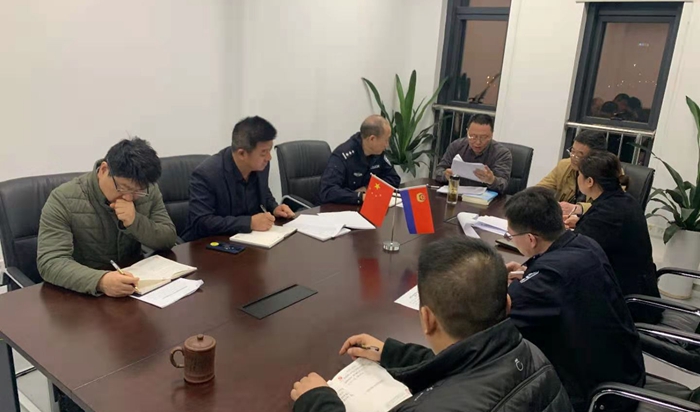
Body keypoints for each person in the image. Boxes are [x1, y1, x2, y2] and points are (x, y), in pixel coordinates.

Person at [290, 237, 573, 412]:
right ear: (508, 304)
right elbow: (470, 364)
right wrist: (391, 353)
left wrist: (317, 401)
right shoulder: (532, 353)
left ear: (427, 319)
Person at [504, 187, 645, 412]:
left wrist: (496, 282)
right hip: (625, 370)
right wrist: (529, 273)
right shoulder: (585, 244)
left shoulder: (549, 278)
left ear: (531, 239)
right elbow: (559, 283)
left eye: (511, 235)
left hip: (596, 396)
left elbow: (498, 315)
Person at [37, 137, 177, 297]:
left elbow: (168, 239)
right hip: (83, 295)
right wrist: (100, 281)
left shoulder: (147, 190)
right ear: (104, 170)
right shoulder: (63, 199)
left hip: (134, 286)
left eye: (138, 191)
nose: (129, 197)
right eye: (123, 188)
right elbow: (50, 261)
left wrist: (135, 221)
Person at [565, 152, 661, 324]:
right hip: (636, 290)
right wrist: (581, 221)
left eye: (579, 174)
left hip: (626, 305)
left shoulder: (608, 212)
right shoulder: (623, 200)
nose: (577, 178)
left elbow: (574, 250)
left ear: (589, 181)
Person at [182, 116, 294, 241]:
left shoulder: (261, 166)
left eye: (270, 150)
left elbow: (264, 192)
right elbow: (201, 222)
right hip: (209, 243)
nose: (269, 157)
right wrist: (249, 223)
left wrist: (274, 208)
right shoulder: (206, 174)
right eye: (263, 152)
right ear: (242, 154)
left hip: (250, 240)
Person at [318, 115, 400, 205]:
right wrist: (359, 197)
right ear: (372, 139)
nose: (387, 145)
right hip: (339, 208)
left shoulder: (378, 153)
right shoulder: (343, 156)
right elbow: (327, 191)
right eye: (386, 140)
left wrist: (368, 188)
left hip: (363, 206)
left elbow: (394, 179)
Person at [434, 114, 512, 194]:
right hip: (457, 195)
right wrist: (445, 175)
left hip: (484, 199)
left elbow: (503, 185)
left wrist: (491, 180)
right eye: (473, 136)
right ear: (467, 132)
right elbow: (438, 171)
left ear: (492, 135)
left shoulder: (502, 153)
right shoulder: (456, 146)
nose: (478, 142)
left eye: (483, 137)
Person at [536, 130, 607, 215]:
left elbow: (610, 206)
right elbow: (539, 190)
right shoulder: (564, 166)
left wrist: (579, 208)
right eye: (572, 151)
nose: (573, 157)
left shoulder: (610, 173)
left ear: (596, 157)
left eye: (580, 155)